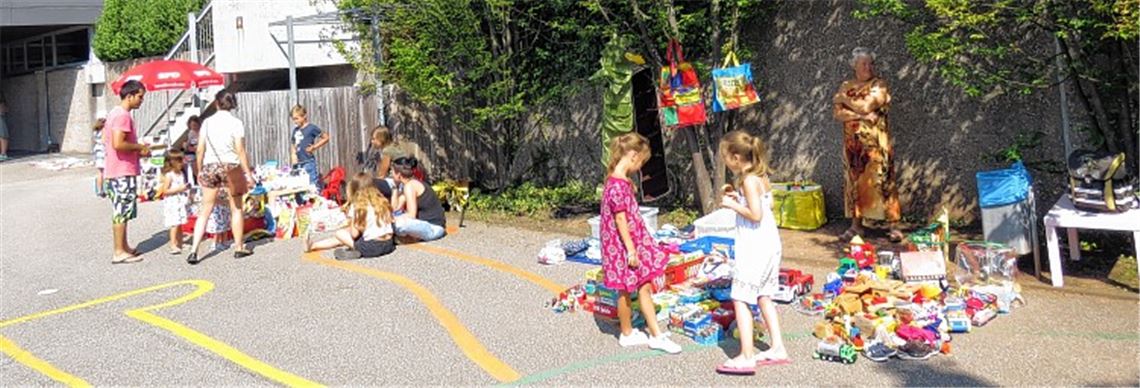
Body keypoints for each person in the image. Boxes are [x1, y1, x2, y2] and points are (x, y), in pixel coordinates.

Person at [599, 133, 682, 354]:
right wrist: (631, 250)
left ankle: (630, 332)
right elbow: (620, 219)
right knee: (638, 286)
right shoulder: (617, 185)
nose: (641, 166)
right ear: (633, 155)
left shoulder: (617, 181)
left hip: (624, 244)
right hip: (625, 245)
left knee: (630, 287)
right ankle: (654, 334)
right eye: (641, 161)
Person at [714, 130, 788, 375]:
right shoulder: (760, 176)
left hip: (754, 247)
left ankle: (746, 356)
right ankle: (777, 347)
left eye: (725, 157)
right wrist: (741, 201)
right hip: (769, 245)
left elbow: (755, 215)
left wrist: (732, 204)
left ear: (736, 157)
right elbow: (765, 206)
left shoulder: (747, 180)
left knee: (741, 298)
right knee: (764, 295)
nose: (725, 161)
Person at [832, 47, 904, 242]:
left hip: (876, 144)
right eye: (864, 63)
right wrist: (860, 115)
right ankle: (856, 226)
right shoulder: (847, 84)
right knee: (854, 183)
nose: (868, 67)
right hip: (853, 146)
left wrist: (846, 100)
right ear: (854, 66)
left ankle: (893, 226)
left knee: (884, 181)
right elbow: (838, 114)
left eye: (871, 63)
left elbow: (867, 105)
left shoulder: (879, 85)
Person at [187, 89, 254, 264]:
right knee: (236, 208)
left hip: (210, 166)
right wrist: (248, 173)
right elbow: (240, 150)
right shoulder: (236, 123)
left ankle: (194, 251)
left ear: (217, 103)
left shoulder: (207, 123)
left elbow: (200, 148)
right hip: (231, 166)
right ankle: (239, 247)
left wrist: (200, 170)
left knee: (205, 210)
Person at [104, 80, 152, 264]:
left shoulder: (115, 114)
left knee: (123, 209)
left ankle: (124, 246)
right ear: (130, 95)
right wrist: (139, 147)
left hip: (117, 169)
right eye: (140, 97)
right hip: (121, 171)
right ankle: (118, 251)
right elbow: (118, 143)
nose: (141, 101)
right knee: (121, 210)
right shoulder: (122, 116)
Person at [304, 172, 396, 260]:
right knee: (346, 235)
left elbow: (354, 234)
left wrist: (351, 223)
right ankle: (313, 246)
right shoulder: (381, 201)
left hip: (372, 248)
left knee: (340, 233)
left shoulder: (357, 205)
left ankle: (356, 249)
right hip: (388, 244)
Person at [390, 157, 447, 242]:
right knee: (393, 221)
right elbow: (395, 208)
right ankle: (406, 238)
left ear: (398, 174)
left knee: (398, 224)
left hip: (433, 227)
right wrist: (395, 187)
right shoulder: (408, 185)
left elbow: (411, 215)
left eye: (392, 172)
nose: (391, 174)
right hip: (425, 226)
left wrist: (391, 220)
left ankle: (405, 238)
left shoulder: (410, 186)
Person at [290, 105, 329, 190]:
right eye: (293, 119)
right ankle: (304, 203)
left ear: (304, 116)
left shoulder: (311, 128)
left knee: (312, 186)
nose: (295, 121)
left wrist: (314, 147)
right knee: (300, 187)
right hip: (299, 164)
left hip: (308, 162)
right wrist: (293, 156)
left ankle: (316, 201)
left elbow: (326, 137)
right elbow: (293, 144)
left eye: (296, 118)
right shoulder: (295, 130)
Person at [160, 151, 191, 254]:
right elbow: (165, 191)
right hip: (172, 202)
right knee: (174, 223)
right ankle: (173, 244)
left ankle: (180, 242)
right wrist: (179, 189)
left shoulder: (181, 174)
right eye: (179, 161)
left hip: (180, 201)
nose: (182, 163)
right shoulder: (169, 175)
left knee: (180, 223)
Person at [183, 115, 201, 187]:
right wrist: (186, 145)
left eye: (195, 125)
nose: (193, 127)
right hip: (191, 152)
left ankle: (198, 181)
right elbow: (187, 144)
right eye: (191, 126)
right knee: (184, 162)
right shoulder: (191, 133)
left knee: (194, 164)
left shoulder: (201, 133)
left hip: (199, 152)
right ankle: (187, 181)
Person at [92, 114, 107, 197]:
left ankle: (99, 189)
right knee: (105, 172)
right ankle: (104, 189)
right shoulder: (104, 130)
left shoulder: (95, 130)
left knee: (100, 172)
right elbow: (104, 141)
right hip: (103, 151)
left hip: (97, 151)